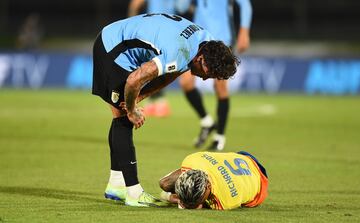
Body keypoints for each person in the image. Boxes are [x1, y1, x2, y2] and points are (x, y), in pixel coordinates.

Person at [92, 14, 238, 207]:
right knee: (124, 118)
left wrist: (141, 96)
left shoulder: (206, 41)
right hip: (112, 49)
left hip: (118, 38)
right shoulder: (179, 52)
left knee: (121, 115)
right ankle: (133, 192)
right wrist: (133, 109)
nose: (204, 79)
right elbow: (134, 80)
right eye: (207, 74)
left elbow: (174, 72)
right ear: (201, 59)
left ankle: (117, 185)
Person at [176, 0, 253, 151]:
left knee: (220, 87)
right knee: (185, 82)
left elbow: (245, 5)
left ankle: (220, 137)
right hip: (199, 38)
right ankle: (206, 121)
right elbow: (181, 7)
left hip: (222, 38)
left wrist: (244, 31)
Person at [158, 151, 268, 210]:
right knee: (165, 184)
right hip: (242, 157)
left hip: (260, 180)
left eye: (199, 199)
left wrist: (174, 198)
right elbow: (165, 183)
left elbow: (199, 206)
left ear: (208, 186)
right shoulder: (192, 160)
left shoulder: (226, 199)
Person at [127, 0, 178, 117]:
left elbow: (135, 4)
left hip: (152, 29)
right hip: (170, 31)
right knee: (162, 66)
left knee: (152, 66)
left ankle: (155, 102)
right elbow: (183, 7)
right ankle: (157, 102)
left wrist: (132, 21)